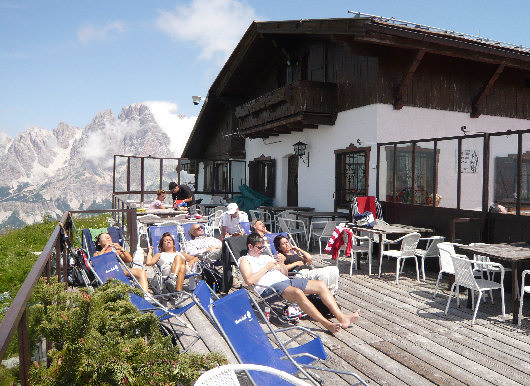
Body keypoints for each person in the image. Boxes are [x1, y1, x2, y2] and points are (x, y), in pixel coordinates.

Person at [239, 233, 360, 334]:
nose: (262, 250)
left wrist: (281, 264)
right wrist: (266, 268)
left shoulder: (266, 257)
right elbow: (249, 281)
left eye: (263, 247)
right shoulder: (245, 260)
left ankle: (342, 317)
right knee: (297, 293)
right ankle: (326, 324)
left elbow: (285, 273)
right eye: (259, 248)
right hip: (269, 288)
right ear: (250, 246)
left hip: (285, 281)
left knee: (320, 285)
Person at [274, 235, 339, 295]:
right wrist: (296, 264)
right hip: (299, 274)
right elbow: (281, 269)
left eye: (287, 242)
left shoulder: (294, 253)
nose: (287, 244)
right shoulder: (282, 256)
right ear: (279, 248)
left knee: (333, 269)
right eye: (283, 244)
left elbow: (309, 259)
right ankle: (323, 295)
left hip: (309, 271)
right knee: (323, 273)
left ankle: (331, 294)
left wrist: (299, 249)